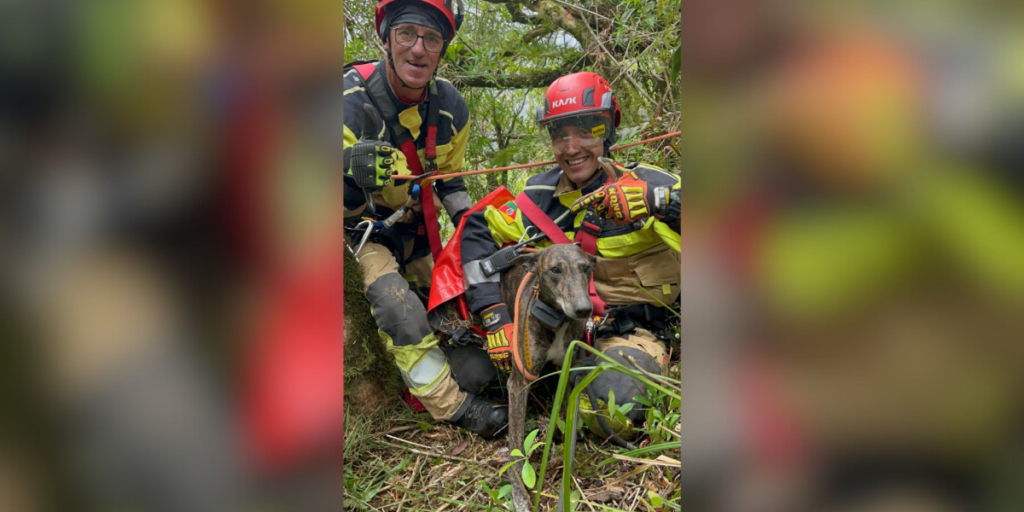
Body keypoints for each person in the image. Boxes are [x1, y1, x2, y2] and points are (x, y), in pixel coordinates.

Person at [460, 71, 682, 439]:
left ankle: (625, 375)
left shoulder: (651, 185)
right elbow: (477, 230)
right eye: (559, 134)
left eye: (587, 130)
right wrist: (494, 316)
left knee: (611, 412)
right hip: (554, 329)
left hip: (630, 331)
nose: (572, 147)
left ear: (609, 129)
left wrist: (662, 205)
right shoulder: (537, 196)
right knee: (468, 373)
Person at [342, 0, 507, 439]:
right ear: (385, 39)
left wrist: (476, 232)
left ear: (442, 48)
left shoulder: (451, 106)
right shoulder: (348, 98)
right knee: (400, 306)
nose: (418, 49)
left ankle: (460, 370)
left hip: (418, 226)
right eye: (406, 34)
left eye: (431, 38)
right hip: (360, 233)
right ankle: (451, 407)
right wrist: (344, 167)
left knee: (462, 302)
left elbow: (451, 182)